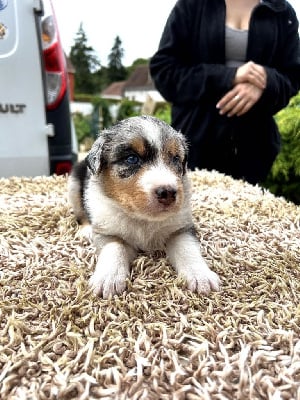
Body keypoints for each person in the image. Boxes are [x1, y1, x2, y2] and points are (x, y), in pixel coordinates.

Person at [150, 0, 300, 184]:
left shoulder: (282, 11)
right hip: (194, 147)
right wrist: (229, 76)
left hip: (255, 151)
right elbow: (165, 72)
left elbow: (292, 77)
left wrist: (266, 82)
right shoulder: (191, 5)